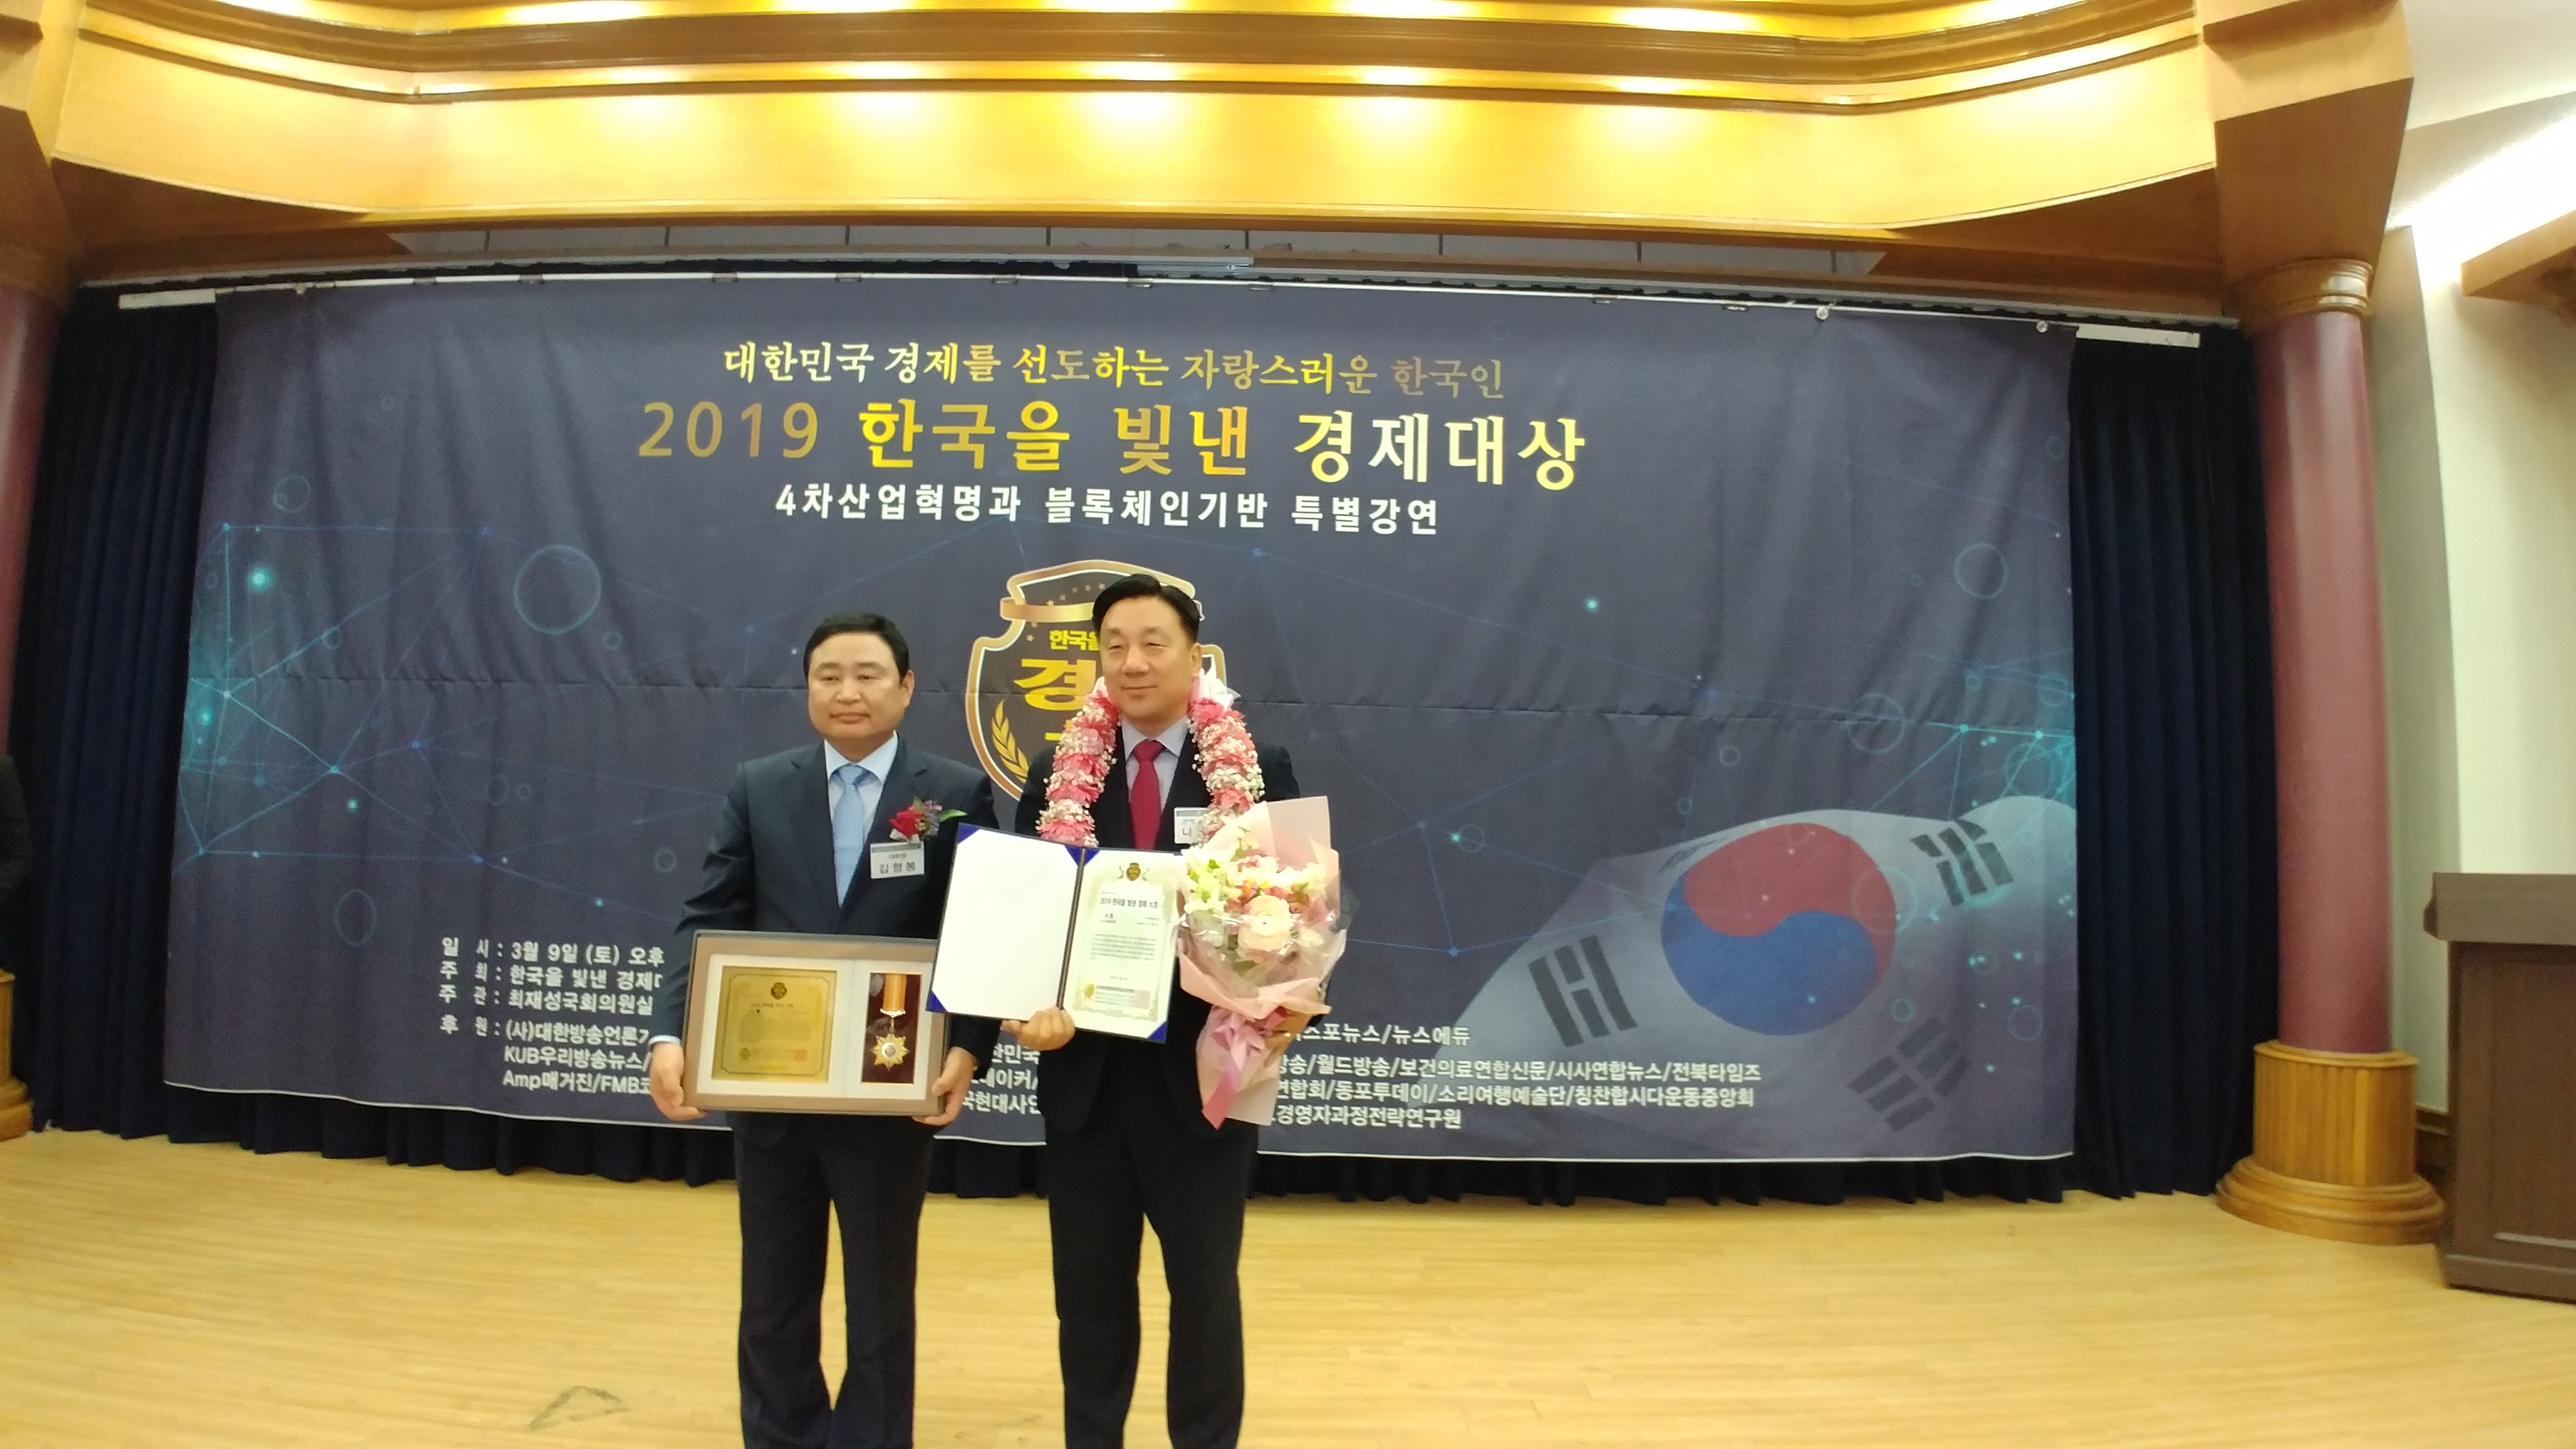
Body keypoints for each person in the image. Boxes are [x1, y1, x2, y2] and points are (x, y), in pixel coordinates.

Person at [648, 611, 998, 1449]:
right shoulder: (760, 786)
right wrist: (670, 1035)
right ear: (808, 689)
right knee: (773, 1291)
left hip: (889, 1082)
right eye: (828, 676)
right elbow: (707, 918)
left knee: (880, 1296)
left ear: (905, 687)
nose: (848, 691)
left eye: (868, 675)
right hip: (772, 1080)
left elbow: (979, 930)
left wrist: (968, 1046)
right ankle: (783, 1435)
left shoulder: (952, 793)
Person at [1006, 575, 1304, 1449]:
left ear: (1193, 655)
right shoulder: (1055, 774)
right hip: (1087, 1080)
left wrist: (1291, 1001)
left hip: (1202, 1076)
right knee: (1088, 1298)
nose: (1132, 662)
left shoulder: (1256, 767)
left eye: (1152, 643)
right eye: (1114, 646)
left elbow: (1299, 908)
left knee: (1204, 1293)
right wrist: (1026, 1005)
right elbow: (1029, 918)